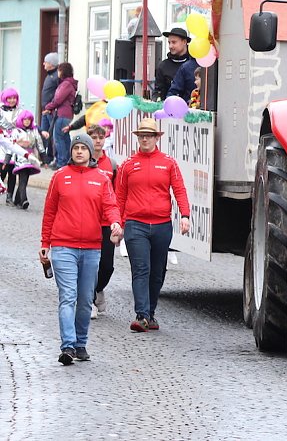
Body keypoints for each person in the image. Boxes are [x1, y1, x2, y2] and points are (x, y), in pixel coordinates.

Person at [39, 134, 122, 365]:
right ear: (71, 152)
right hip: (63, 246)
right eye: (75, 148)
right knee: (68, 297)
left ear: (89, 153)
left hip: (92, 247)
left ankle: (80, 343)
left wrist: (115, 222)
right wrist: (45, 244)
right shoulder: (60, 177)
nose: (78, 152)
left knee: (85, 300)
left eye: (82, 148)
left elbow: (110, 206)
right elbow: (50, 212)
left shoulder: (101, 178)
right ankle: (67, 346)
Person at [115, 118, 190, 332]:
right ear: (137, 138)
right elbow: (120, 197)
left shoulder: (168, 163)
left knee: (157, 272)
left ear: (157, 138)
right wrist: (118, 224)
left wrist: (185, 215)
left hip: (161, 225)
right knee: (141, 269)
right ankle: (142, 315)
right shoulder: (128, 164)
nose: (145, 139)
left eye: (149, 135)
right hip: (135, 225)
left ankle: (151, 312)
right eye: (141, 135)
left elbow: (179, 190)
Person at [87, 123, 118, 319]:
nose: (98, 141)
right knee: (90, 263)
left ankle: (98, 288)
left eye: (101, 137)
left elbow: (117, 194)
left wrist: (118, 220)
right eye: (94, 137)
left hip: (107, 222)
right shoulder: (81, 161)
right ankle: (88, 299)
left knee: (107, 266)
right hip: (88, 220)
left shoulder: (111, 164)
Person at [42, 62, 78, 169]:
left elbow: (58, 99)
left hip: (63, 114)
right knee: (65, 138)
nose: (58, 72)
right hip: (65, 114)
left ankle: (62, 162)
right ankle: (68, 159)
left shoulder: (66, 84)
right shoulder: (67, 83)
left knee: (58, 138)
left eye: (59, 70)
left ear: (63, 71)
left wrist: (48, 107)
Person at [10, 110, 45, 209]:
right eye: (25, 119)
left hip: (31, 158)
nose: (27, 121)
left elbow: (39, 144)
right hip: (20, 157)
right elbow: (10, 145)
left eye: (29, 119)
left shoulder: (34, 131)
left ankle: (17, 199)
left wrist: (44, 158)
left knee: (25, 178)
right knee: (23, 178)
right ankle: (24, 200)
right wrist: (8, 160)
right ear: (21, 120)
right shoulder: (16, 131)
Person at [154, 27, 194, 101]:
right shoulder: (163, 66)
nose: (170, 46)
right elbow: (158, 91)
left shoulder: (193, 63)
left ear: (184, 42)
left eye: (174, 42)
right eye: (169, 42)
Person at [1, 87, 23, 204]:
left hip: (14, 143)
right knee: (2, 169)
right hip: (2, 143)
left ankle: (9, 195)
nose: (12, 100)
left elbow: (27, 122)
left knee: (12, 172)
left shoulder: (20, 111)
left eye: (14, 98)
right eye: (9, 98)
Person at [40, 52, 60, 165]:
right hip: (45, 110)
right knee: (44, 134)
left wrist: (51, 107)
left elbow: (58, 94)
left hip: (51, 111)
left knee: (51, 135)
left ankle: (54, 158)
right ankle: (47, 158)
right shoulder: (49, 75)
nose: (44, 64)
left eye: (46, 62)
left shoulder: (56, 76)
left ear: (51, 64)